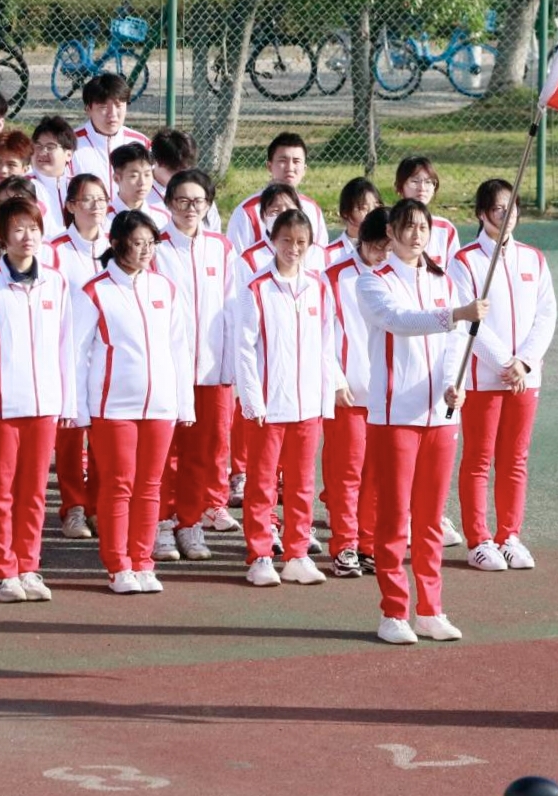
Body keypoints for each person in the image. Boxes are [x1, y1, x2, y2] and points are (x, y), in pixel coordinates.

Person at [355, 198, 487, 645]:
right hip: (394, 415)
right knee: (395, 517)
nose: (416, 235)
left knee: (429, 519)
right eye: (407, 227)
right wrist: (457, 314)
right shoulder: (373, 281)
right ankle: (394, 612)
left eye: (423, 228)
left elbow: (455, 345)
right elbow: (399, 321)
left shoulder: (442, 281)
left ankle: (430, 610)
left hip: (439, 417)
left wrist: (454, 384)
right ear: (391, 233)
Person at [0, 198, 75, 603]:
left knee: (35, 491)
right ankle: (4, 570)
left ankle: (29, 565)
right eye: (19, 229)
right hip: (0, 405)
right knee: (0, 492)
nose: (28, 237)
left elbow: (65, 345)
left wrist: (68, 402)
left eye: (34, 228)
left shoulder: (56, 283)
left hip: (44, 404)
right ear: (2, 236)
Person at [73, 209, 195, 594]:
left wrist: (184, 404)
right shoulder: (95, 291)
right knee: (118, 485)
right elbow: (76, 354)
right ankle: (118, 565)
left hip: (160, 405)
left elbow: (179, 349)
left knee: (151, 486)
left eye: (150, 243)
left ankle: (143, 561)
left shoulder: (164, 288)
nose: (145, 250)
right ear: (115, 243)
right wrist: (79, 409)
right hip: (112, 407)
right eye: (137, 243)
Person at [449, 180, 558, 572]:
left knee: (515, 458)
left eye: (513, 207)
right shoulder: (465, 261)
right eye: (498, 208)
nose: (507, 215)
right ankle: (478, 540)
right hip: (483, 379)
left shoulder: (534, 259)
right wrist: (503, 363)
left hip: (525, 378)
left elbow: (547, 314)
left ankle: (509, 535)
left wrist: (524, 363)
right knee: (479, 459)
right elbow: (468, 321)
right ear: (482, 213)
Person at [234, 208, 340, 587]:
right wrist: (252, 400)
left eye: (301, 242)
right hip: (268, 406)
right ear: (272, 241)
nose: (293, 248)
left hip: (308, 405)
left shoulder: (319, 286)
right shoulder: (256, 288)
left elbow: (327, 344)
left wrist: (325, 398)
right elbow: (244, 349)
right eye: (286, 241)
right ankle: (260, 554)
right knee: (262, 483)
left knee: (302, 482)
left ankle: (296, 554)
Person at [153, 168, 238, 559]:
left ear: (208, 205)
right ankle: (161, 524)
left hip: (212, 371)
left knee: (202, 453)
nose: (190, 208)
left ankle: (189, 524)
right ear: (169, 203)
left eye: (198, 201)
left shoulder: (221, 247)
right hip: (169, 373)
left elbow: (233, 307)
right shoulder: (155, 247)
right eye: (182, 201)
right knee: (164, 453)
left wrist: (230, 364)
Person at [322, 206, 391, 578]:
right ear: (361, 239)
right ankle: (344, 544)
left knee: (378, 475)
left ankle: (369, 543)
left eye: (388, 248)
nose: (382, 255)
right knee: (346, 473)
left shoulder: (397, 276)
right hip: (347, 393)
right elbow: (319, 335)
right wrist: (335, 379)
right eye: (377, 246)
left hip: (387, 396)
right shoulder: (334, 277)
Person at [49, 172, 111, 539]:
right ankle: (72, 506)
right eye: (86, 199)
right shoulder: (55, 250)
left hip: (106, 357)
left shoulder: (116, 245)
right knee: (70, 435)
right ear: (71, 206)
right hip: (68, 354)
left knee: (103, 435)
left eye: (101, 199)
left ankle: (98, 505)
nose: (94, 206)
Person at [227, 133, 328, 250]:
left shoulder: (312, 209)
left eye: (296, 161)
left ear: (305, 169)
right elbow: (237, 258)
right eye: (283, 160)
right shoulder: (247, 212)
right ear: (269, 166)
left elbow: (321, 254)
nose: (290, 168)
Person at [71, 74, 148, 192]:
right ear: (88, 109)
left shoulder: (141, 142)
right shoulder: (70, 144)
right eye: (103, 107)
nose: (112, 114)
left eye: (118, 106)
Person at [148, 128, 222, 232]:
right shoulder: (140, 192)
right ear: (156, 161)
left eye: (185, 170)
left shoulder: (200, 191)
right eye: (173, 170)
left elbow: (213, 231)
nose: (180, 177)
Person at [395, 156, 459, 267]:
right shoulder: (390, 226)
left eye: (428, 182)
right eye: (414, 181)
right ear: (400, 187)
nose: (422, 188)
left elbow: (454, 271)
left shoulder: (445, 229)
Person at [28, 115, 76, 236]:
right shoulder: (23, 187)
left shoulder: (79, 186)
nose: (42, 152)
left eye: (50, 147)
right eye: (38, 146)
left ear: (68, 154)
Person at [109, 142, 168, 229]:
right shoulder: (102, 219)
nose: (142, 182)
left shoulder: (162, 218)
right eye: (134, 176)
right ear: (116, 179)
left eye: (147, 175)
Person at [327, 177, 381, 266]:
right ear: (345, 213)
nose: (372, 213)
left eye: (376, 207)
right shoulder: (330, 255)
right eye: (364, 208)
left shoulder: (389, 252)